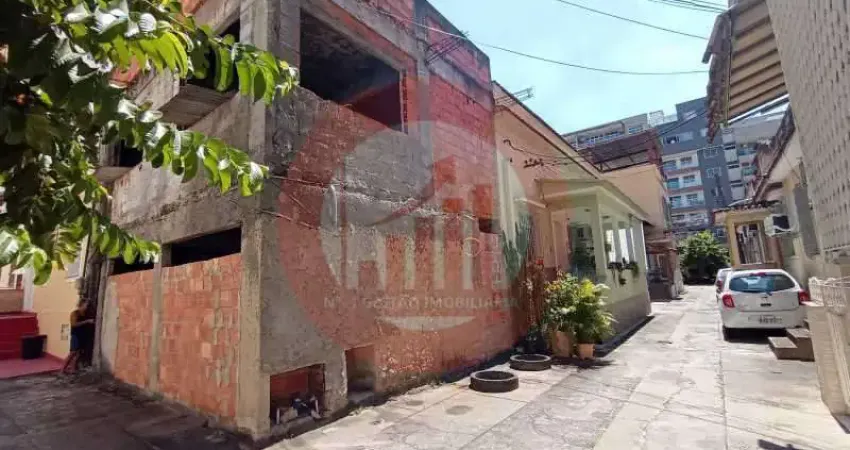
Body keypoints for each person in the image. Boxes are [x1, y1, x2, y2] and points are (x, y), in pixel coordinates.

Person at [61, 299, 93, 374]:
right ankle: (62, 369)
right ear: (81, 305)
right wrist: (87, 321)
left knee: (78, 353)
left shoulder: (85, 314)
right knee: (72, 352)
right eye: (86, 305)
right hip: (76, 335)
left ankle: (73, 369)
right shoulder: (75, 313)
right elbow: (74, 324)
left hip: (82, 335)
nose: (87, 306)